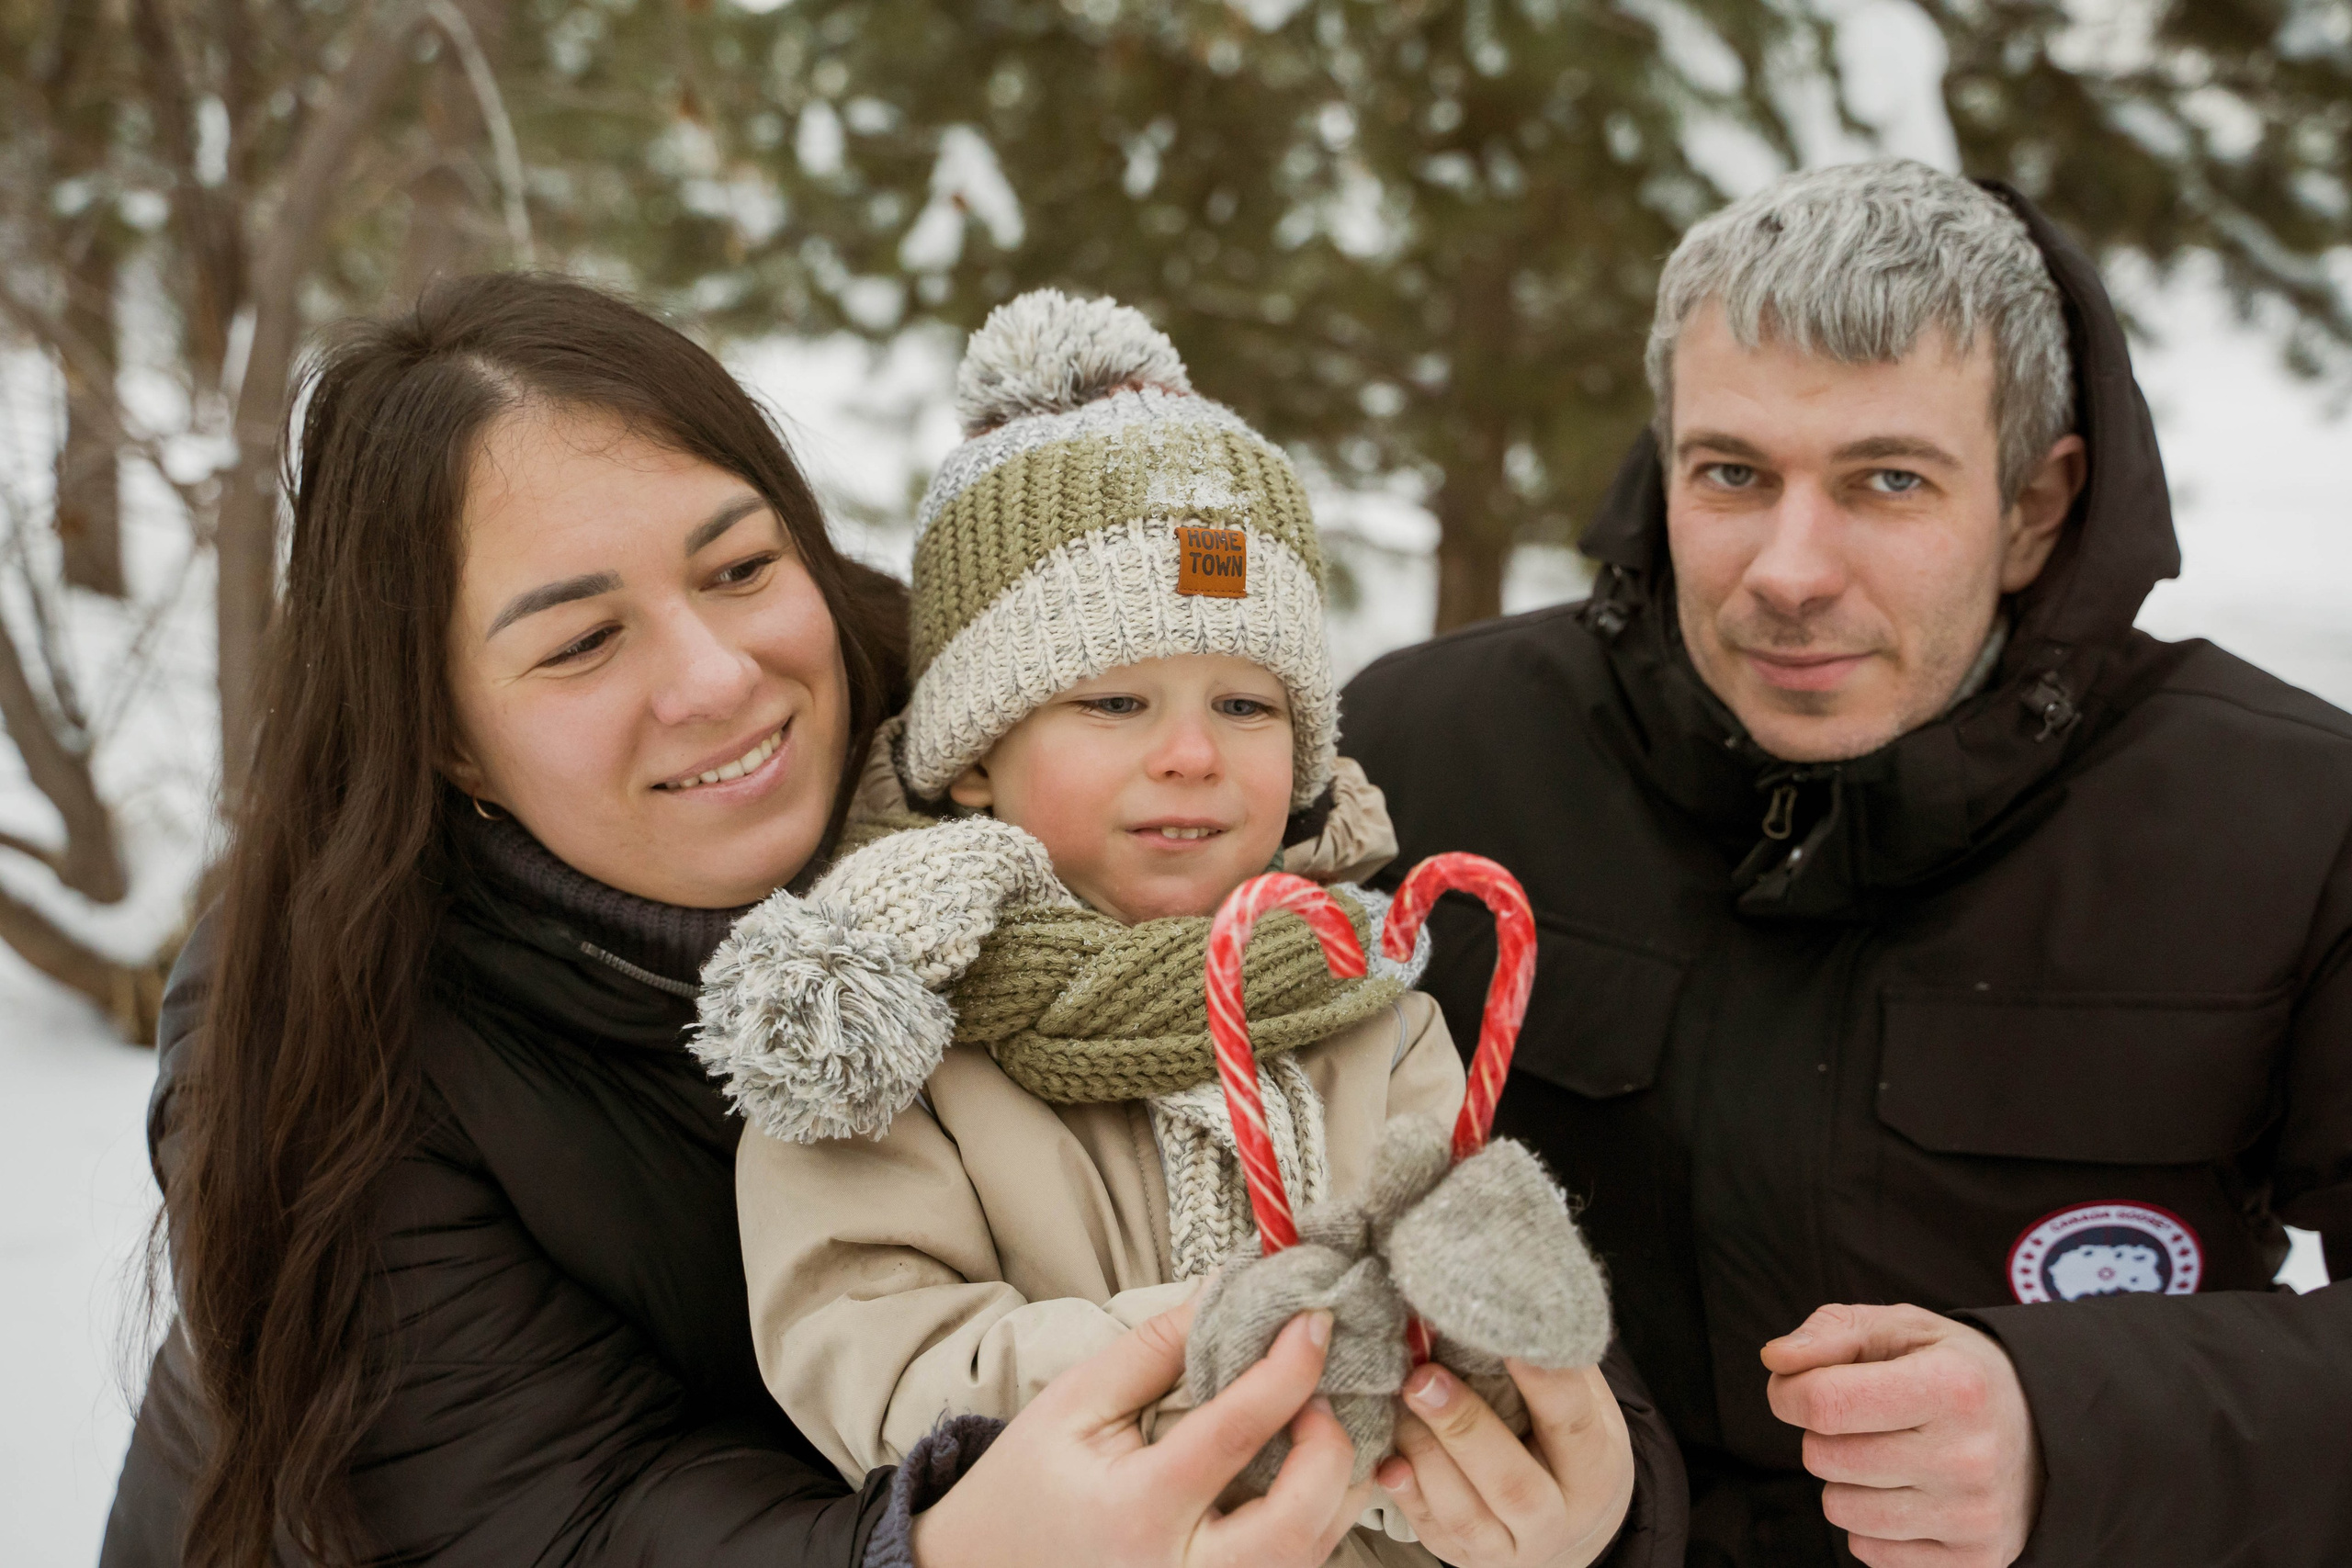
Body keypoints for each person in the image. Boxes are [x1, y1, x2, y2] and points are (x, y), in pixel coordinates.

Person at [101, 272, 1388, 1568]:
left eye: (740, 566)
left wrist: (1583, 1498)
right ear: (448, 741)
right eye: (582, 642)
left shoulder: (1026, 715)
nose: (719, 679)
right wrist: (931, 1557)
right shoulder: (330, 1066)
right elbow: (565, 1525)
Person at [1340, 160, 2352, 1568]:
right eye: (1733, 475)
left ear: (2037, 507)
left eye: (1887, 481)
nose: (1790, 568)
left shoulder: (2289, 819)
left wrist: (2078, 1431)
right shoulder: (1416, 758)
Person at [694, 290, 1649, 1568]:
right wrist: (1224, 1354)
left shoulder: (1376, 1010)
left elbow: (1464, 1368)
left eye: (1249, 705)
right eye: (1118, 701)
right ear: (974, 756)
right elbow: (884, 1366)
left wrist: (1496, 1365)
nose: (1192, 755)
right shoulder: (885, 1036)